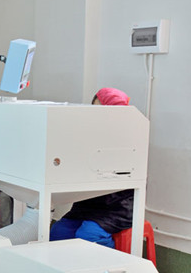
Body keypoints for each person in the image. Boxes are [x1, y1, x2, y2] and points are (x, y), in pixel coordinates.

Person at [49, 87, 133, 248]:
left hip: (118, 206)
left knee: (89, 235)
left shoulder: (128, 138)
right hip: (88, 202)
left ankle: (106, 262)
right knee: (59, 232)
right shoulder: (88, 134)